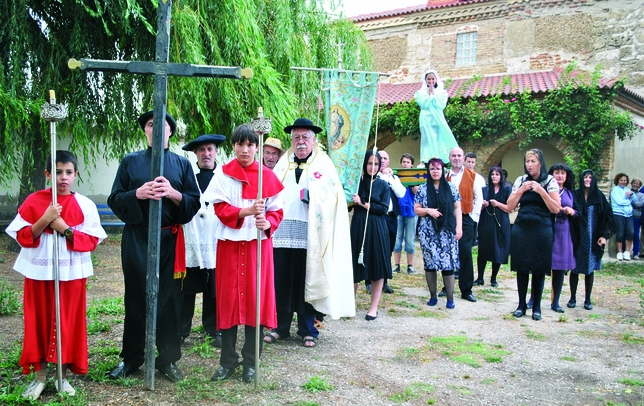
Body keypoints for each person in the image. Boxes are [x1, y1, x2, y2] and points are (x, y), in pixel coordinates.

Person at [107, 110, 201, 382]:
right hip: (138, 238)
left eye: (162, 125)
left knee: (170, 299)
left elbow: (193, 203)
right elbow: (115, 199)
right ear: (145, 131)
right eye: (151, 124)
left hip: (169, 240)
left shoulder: (182, 165)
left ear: (170, 131)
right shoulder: (130, 161)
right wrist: (137, 194)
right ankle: (132, 358)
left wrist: (172, 193)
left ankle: (167, 359)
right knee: (137, 296)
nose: (157, 129)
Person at [6, 151, 107, 399]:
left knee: (67, 322)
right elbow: (23, 236)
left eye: (69, 172)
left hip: (71, 273)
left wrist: (64, 229)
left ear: (76, 175)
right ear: (48, 174)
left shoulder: (86, 205)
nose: (63, 178)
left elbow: (91, 241)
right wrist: (45, 219)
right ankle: (40, 377)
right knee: (38, 320)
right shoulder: (33, 201)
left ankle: (62, 377)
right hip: (39, 273)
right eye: (58, 172)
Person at [265, 118, 355, 348]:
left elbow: (333, 196)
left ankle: (308, 328)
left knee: (308, 280)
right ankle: (280, 326)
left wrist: (315, 198)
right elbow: (270, 194)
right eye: (296, 137)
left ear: (314, 140)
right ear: (291, 141)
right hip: (283, 233)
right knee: (282, 280)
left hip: (311, 235)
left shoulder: (323, 165)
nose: (301, 142)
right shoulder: (282, 164)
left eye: (305, 137)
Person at [207, 124, 284, 384]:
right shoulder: (222, 175)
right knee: (229, 302)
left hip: (256, 246)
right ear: (233, 146)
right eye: (240, 144)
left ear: (257, 147)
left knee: (255, 302)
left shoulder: (266, 176)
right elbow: (220, 209)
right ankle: (227, 361)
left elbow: (276, 210)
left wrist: (268, 223)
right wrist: (246, 212)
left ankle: (251, 363)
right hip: (230, 244)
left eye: (251, 145)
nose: (245, 149)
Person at [180, 134, 227, 348]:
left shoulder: (225, 177)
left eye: (210, 149)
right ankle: (181, 330)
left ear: (216, 151)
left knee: (214, 289)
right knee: (186, 289)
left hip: (216, 239)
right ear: (196, 154)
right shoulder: (188, 176)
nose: (206, 154)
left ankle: (214, 328)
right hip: (192, 238)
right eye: (201, 150)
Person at [506, 149, 560, 321]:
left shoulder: (550, 181)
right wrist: (521, 190)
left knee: (538, 269)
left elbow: (556, 208)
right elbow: (509, 206)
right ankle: (521, 305)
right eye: (527, 161)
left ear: (540, 163)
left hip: (542, 229)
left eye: (533, 161)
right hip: (522, 228)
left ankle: (536, 306)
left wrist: (541, 191)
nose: (529, 165)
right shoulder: (520, 180)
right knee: (521, 267)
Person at [415, 158, 462, 309]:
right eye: (432, 169)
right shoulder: (422, 189)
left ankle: (450, 298)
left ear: (443, 171)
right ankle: (433, 296)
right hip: (428, 232)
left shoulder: (452, 188)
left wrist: (459, 227)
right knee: (430, 264)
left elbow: (457, 208)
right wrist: (429, 211)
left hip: (447, 231)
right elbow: (417, 209)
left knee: (448, 265)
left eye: (438, 169)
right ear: (428, 171)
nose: (435, 172)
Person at [350, 150, 393, 320]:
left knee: (377, 266)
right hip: (359, 224)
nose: (372, 167)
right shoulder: (357, 183)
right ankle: (350, 303)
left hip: (376, 226)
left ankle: (373, 307)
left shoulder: (383, 185)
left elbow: (384, 208)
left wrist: (364, 204)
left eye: (376, 164)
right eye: (369, 163)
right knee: (354, 264)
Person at [440, 147, 484, 303]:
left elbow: (479, 198)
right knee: (447, 253)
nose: (456, 158)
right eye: (454, 156)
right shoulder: (444, 176)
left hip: (466, 218)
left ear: (464, 158)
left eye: (459, 155)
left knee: (465, 253)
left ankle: (466, 289)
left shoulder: (474, 176)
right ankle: (447, 287)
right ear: (450, 158)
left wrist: (473, 218)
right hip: (447, 219)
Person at [569, 169, 614, 310]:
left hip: (593, 238)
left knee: (589, 269)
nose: (587, 180)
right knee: (574, 269)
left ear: (593, 180)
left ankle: (588, 299)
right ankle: (572, 297)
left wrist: (604, 236)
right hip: (577, 236)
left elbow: (608, 217)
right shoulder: (575, 194)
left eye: (590, 177)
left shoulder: (599, 196)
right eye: (585, 177)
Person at [365, 150, 404, 294]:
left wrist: (391, 178)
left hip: (391, 217)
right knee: (372, 249)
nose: (382, 161)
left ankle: (384, 281)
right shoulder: (372, 179)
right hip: (376, 217)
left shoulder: (393, 177)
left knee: (387, 250)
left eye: (385, 159)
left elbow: (402, 193)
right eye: (380, 159)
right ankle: (369, 281)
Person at [548, 163, 578, 313]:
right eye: (556, 173)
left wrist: (571, 211)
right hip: (548, 229)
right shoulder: (546, 190)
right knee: (540, 266)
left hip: (564, 232)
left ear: (566, 176)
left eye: (562, 173)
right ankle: (533, 299)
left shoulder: (570, 193)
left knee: (559, 268)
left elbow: (579, 213)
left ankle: (556, 301)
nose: (559, 176)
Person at [475, 166, 511, 287]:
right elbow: (476, 208)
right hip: (486, 221)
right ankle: (480, 278)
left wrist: (498, 204)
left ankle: (493, 278)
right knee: (483, 248)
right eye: (492, 174)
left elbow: (510, 208)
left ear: (501, 177)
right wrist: (483, 205)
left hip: (501, 221)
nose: (494, 176)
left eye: (497, 174)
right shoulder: (484, 190)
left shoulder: (507, 189)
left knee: (498, 249)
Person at [414, 68, 458, 164]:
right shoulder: (419, 93)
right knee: (426, 138)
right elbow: (423, 105)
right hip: (426, 119)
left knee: (438, 138)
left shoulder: (442, 92)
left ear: (436, 79)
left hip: (437, 118)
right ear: (425, 80)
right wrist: (429, 95)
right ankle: (424, 159)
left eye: (432, 79)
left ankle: (438, 158)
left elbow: (441, 105)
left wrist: (433, 95)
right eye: (428, 79)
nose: (431, 81)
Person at [393, 153, 419, 275]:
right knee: (397, 239)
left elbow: (417, 192)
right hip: (399, 210)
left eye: (408, 162)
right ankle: (396, 264)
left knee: (410, 239)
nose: (405, 164)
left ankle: (410, 265)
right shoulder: (396, 176)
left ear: (411, 164)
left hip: (411, 211)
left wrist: (412, 182)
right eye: (404, 162)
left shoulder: (415, 177)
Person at [610, 172, 636, 260]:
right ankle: (620, 252)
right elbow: (619, 202)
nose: (623, 182)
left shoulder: (627, 190)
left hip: (628, 215)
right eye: (621, 180)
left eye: (625, 180)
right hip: (618, 214)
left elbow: (635, 199)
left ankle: (627, 252)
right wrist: (629, 201)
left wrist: (631, 195)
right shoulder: (615, 190)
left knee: (630, 232)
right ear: (618, 180)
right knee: (620, 233)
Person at [630, 178, 644, 258]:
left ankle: (636, 253)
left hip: (636, 217)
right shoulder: (627, 192)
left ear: (639, 186)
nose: (635, 185)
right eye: (634, 183)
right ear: (631, 184)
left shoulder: (641, 195)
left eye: (637, 184)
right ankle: (626, 251)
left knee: (636, 235)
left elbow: (641, 204)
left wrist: (631, 202)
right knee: (627, 234)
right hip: (627, 216)